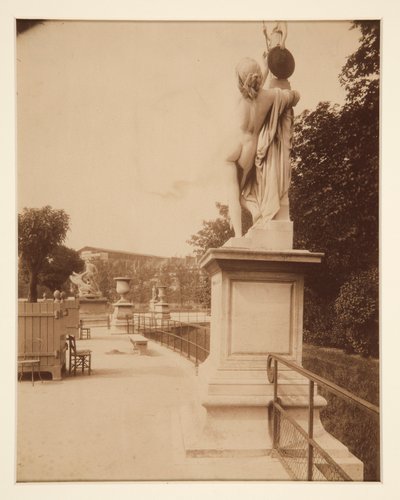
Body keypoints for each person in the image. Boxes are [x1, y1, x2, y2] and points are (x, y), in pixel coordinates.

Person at [224, 50, 299, 236]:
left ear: (241, 79)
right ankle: (253, 212)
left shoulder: (240, 98)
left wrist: (265, 69)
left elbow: (252, 91)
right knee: (239, 192)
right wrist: (287, 90)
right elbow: (293, 97)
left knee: (233, 194)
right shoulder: (269, 97)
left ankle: (239, 235)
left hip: (232, 150)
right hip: (251, 150)